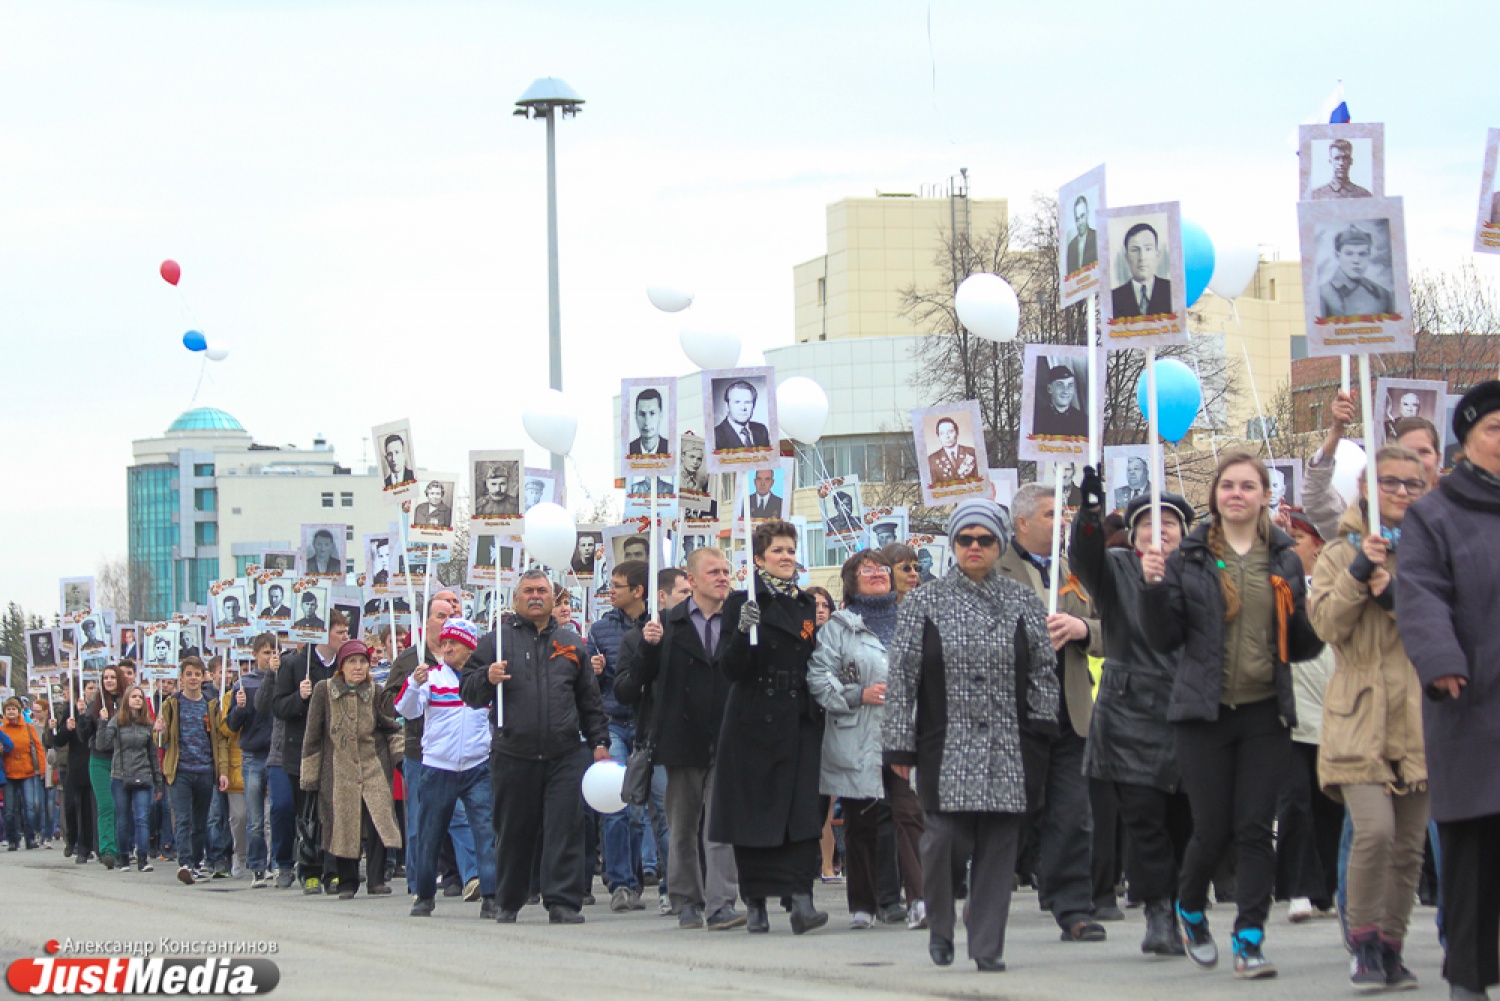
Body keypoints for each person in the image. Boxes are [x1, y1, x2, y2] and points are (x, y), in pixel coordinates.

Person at [1139, 450, 1324, 979]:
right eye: (1228, 486)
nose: (1237, 494)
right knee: (1213, 829)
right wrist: (1153, 589)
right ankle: (1190, 908)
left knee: (1253, 829)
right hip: (1203, 714)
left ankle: (1250, 938)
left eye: (1247, 486)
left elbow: (1302, 646)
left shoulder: (1285, 558)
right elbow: (1164, 638)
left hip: (1265, 712)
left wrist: (1316, 614)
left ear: (1265, 496)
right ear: (1215, 496)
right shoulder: (1188, 557)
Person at [883, 499, 1059, 970]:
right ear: (954, 544)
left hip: (1010, 744)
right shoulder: (924, 602)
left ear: (1000, 544)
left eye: (985, 539)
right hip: (945, 744)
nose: (974, 547)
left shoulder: (1022, 601)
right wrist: (898, 744)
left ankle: (986, 945)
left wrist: (1041, 731)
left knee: (999, 849)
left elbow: (1043, 671)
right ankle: (940, 925)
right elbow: (902, 677)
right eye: (965, 539)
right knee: (942, 841)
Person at [1310, 445, 1429, 990]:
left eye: (1412, 483)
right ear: (1366, 489)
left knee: (1408, 847)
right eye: (1390, 482)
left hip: (1417, 715)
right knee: (1375, 833)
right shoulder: (1339, 553)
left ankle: (1391, 945)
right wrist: (1360, 573)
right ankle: (1361, 941)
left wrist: (1396, 596)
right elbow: (1327, 625)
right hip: (1359, 713)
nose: (1401, 492)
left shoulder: (1431, 552)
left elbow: (1447, 622)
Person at [1396, 380, 1500, 1001]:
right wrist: (1440, 661)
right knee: (1474, 848)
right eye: (1495, 428)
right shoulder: (1435, 514)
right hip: (1473, 700)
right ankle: (1469, 977)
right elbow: (1421, 593)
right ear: (1467, 440)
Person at [1073, 472, 1196, 957]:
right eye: (1147, 524)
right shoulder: (1117, 568)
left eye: (1169, 524)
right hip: (1129, 714)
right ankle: (1159, 913)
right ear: (1134, 533)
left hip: (1189, 711)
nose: (1158, 532)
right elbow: (1084, 557)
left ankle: (1184, 905)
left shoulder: (1202, 571)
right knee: (1145, 821)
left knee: (1185, 821)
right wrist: (1089, 513)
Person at [460, 569, 611, 924]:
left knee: (565, 829)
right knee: (513, 831)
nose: (535, 596)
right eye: (528, 591)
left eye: (542, 590)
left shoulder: (571, 643)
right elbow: (468, 691)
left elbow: (589, 700)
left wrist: (600, 743)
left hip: (564, 753)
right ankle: (509, 900)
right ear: (516, 599)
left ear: (553, 598)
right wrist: (486, 678)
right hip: (513, 751)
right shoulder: (496, 642)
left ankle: (562, 902)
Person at [998, 482, 1107, 941]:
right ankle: (990, 893)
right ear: (1021, 523)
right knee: (1013, 812)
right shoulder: (994, 570)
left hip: (1070, 711)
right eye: (1050, 514)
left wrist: (1082, 629)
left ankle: (1074, 907)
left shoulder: (1075, 571)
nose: (1061, 521)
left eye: (1063, 513)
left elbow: (1112, 629)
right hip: (1016, 716)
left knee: (1073, 814)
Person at [711, 519, 827, 935]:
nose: (786, 557)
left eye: (791, 550)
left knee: (802, 812)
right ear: (759, 558)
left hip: (797, 717)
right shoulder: (741, 602)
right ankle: (756, 903)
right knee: (752, 813)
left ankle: (802, 900)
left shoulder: (804, 603)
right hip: (753, 718)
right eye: (777, 551)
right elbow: (730, 667)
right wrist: (744, 630)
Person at [616, 553, 740, 929]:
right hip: (682, 738)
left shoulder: (737, 620)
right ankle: (686, 899)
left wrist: (752, 636)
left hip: (725, 735)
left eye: (726, 572)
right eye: (713, 572)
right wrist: (648, 647)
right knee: (682, 826)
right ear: (693, 579)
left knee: (720, 825)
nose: (722, 578)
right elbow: (631, 687)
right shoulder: (667, 623)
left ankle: (722, 903)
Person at [807, 550, 901, 930]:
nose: (878, 574)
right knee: (863, 821)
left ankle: (909, 898)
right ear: (851, 581)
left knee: (909, 816)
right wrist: (856, 694)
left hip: (904, 730)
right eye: (868, 570)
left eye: (882, 568)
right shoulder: (838, 627)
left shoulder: (911, 618)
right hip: (858, 734)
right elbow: (819, 678)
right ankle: (864, 904)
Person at [396, 618, 498, 918]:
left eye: (454, 643)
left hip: (477, 766)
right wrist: (413, 684)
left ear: (470, 647)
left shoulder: (484, 679)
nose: (447, 648)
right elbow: (405, 710)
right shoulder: (431, 677)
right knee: (429, 834)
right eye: (445, 643)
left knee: (485, 832)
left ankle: (491, 895)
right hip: (438, 767)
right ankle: (425, 895)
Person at [1271, 509, 1341, 926]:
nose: (1290, 546)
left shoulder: (1333, 584)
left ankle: (1326, 888)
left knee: (1330, 804)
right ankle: (1297, 887)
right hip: (1292, 711)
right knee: (1294, 802)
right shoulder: (1280, 585)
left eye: (1296, 538)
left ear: (1317, 544)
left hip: (1334, 712)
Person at [301, 639, 401, 900]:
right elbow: (313, 735)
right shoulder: (324, 690)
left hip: (373, 765)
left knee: (378, 820)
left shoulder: (375, 691)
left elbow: (391, 727)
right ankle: (347, 881)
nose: (358, 667)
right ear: (341, 666)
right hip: (338, 769)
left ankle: (376, 880)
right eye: (352, 662)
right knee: (344, 823)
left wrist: (400, 756)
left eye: (362, 662)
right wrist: (310, 776)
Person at [587, 560, 653, 913]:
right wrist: (594, 672)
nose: (610, 591)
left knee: (638, 809)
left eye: (617, 585)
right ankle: (620, 883)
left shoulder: (659, 624)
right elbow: (587, 686)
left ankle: (637, 878)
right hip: (612, 722)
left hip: (645, 724)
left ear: (638, 591)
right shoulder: (600, 630)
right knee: (615, 803)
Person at [272, 610, 350, 894]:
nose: (345, 637)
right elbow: (278, 707)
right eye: (340, 632)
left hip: (336, 751)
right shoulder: (295, 665)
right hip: (303, 752)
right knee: (308, 813)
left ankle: (333, 871)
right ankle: (309, 870)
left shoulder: (344, 666)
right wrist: (299, 697)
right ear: (323, 634)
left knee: (333, 812)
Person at [1304, 390, 1443, 542]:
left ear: (1438, 457)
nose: (1416, 460)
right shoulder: (1361, 526)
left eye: (1424, 452)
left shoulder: (1454, 517)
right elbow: (1317, 499)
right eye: (1406, 452)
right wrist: (1336, 431)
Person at [156, 657, 231, 885]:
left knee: (200, 822)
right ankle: (185, 863)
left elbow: (219, 740)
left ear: (203, 677)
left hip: (205, 769)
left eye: (197, 674)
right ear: (181, 678)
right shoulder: (172, 704)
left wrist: (222, 771)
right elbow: (161, 740)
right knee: (183, 819)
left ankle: (197, 862)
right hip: (181, 770)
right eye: (188, 674)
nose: (193, 678)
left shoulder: (211, 704)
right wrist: (159, 730)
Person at [225, 634, 277, 887]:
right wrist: (240, 707)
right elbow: (232, 725)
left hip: (277, 754)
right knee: (255, 818)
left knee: (275, 814)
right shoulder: (244, 683)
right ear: (255, 655)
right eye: (266, 652)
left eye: (274, 652)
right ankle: (257, 866)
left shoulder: (283, 680)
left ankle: (276, 864)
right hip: (254, 756)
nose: (271, 657)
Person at [102, 684, 163, 872]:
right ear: (126, 700)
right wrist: (103, 723)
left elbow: (153, 754)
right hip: (120, 776)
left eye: (140, 697)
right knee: (123, 818)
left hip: (143, 775)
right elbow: (104, 744)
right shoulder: (117, 722)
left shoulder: (148, 724)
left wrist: (158, 782)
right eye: (134, 696)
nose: (138, 699)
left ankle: (142, 858)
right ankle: (123, 857)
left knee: (142, 817)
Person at [78, 665, 123, 868]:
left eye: (113, 677)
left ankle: (123, 847)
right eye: (105, 678)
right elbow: (84, 736)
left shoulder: (127, 701)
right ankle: (107, 850)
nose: (109, 681)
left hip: (122, 760)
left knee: (121, 807)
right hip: (99, 760)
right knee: (106, 805)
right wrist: (83, 717)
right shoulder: (96, 704)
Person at [53, 684, 97, 865]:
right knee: (72, 805)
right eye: (89, 687)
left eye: (94, 687)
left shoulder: (99, 708)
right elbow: (59, 740)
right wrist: (65, 728)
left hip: (96, 761)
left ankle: (87, 846)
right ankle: (72, 840)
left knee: (90, 809)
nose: (92, 691)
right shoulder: (71, 710)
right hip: (76, 765)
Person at [1319, 225, 1394, 320]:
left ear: (1369, 256)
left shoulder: (1382, 294)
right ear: (1338, 255)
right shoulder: (1323, 294)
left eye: (1362, 254)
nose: (1356, 260)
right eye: (1349, 254)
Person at [2, 697, 45, 851]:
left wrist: (42, 769)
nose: (11, 712)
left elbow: (38, 748)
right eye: (8, 709)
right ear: (4, 712)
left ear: (19, 711)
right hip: (9, 773)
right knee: (9, 810)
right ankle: (12, 839)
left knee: (31, 807)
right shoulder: (2, 729)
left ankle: (30, 838)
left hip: (28, 772)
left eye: (13, 709)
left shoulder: (28, 727)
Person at [1111, 223, 1173, 318]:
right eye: (1135, 250)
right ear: (1126, 257)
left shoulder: (1172, 290)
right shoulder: (1113, 297)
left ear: (1157, 254)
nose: (1142, 257)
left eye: (1148, 249)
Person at [1033, 363, 1088, 438]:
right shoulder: (1037, 420)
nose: (1066, 391)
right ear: (1049, 389)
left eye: (1070, 385)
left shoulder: (1084, 421)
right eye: (1060, 385)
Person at [713, 380, 771, 451]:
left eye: (747, 402)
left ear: (754, 406)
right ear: (727, 406)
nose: (743, 408)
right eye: (737, 402)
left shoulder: (762, 430)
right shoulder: (715, 436)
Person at [1309, 139, 1373, 200]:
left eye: (1345, 158)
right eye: (1337, 158)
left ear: (1351, 161)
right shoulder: (1316, 196)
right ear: (1330, 161)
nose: (1341, 163)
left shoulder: (1364, 195)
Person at [927, 416, 979, 485]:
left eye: (950, 432)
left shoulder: (972, 452)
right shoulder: (931, 460)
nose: (947, 436)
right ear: (938, 436)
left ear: (957, 433)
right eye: (942, 433)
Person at [629, 388, 669, 455]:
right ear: (635, 416)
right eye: (642, 414)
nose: (647, 422)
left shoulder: (671, 449)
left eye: (652, 413)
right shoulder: (628, 451)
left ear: (660, 414)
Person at [1068, 194, 1097, 274]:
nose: (1080, 222)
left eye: (1082, 216)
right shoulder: (1071, 246)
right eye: (1077, 219)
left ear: (1087, 214)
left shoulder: (1097, 238)